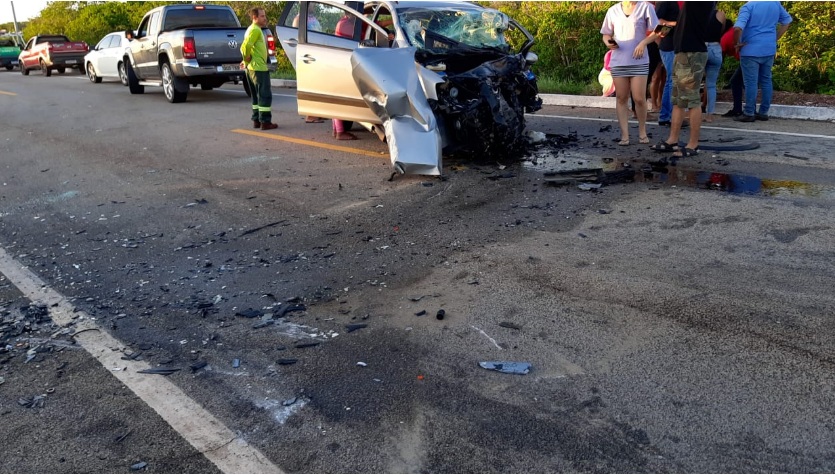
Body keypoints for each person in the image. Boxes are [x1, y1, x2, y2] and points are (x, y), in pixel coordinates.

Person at [651, 2, 715, 158]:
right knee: (678, 100)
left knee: (691, 99)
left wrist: (663, 25)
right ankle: (673, 140)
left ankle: (693, 144)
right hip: (682, 52)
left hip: (691, 52)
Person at [600, 1, 659, 146]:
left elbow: (660, 30)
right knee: (621, 98)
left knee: (639, 98)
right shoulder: (612, 10)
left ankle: (642, 132)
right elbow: (606, 33)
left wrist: (643, 43)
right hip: (618, 61)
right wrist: (608, 42)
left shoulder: (646, 7)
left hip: (639, 60)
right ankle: (625, 135)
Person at [733, 1, 792, 122]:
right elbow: (787, 21)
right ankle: (764, 112)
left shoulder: (748, 7)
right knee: (766, 80)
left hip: (750, 50)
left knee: (751, 83)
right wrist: (775, 38)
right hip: (769, 48)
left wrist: (737, 43)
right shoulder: (775, 3)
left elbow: (738, 28)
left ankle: (749, 112)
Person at [240, 7, 277, 130]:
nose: (265, 18)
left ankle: (256, 119)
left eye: (264, 15)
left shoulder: (252, 29)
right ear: (254, 18)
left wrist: (245, 61)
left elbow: (245, 47)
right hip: (258, 68)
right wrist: (246, 59)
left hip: (252, 68)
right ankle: (265, 122)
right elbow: (245, 47)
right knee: (265, 95)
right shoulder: (255, 30)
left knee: (256, 95)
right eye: (262, 16)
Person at [331, 13, 359, 141]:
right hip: (340, 61)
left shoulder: (345, 22)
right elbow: (359, 37)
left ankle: (336, 129)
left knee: (337, 94)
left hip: (339, 60)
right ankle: (340, 132)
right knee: (339, 96)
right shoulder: (345, 24)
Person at [654, 1, 679, 127]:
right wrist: (676, 24)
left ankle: (668, 116)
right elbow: (657, 22)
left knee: (672, 81)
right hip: (669, 47)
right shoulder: (665, 2)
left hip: (673, 46)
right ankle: (666, 116)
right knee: (672, 81)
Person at [703, 8, 728, 122]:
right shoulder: (721, 14)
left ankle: (693, 112)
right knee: (711, 85)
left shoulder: (698, 12)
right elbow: (721, 30)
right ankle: (710, 114)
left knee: (694, 83)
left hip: (701, 48)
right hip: (715, 48)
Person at [720, 19, 744, 117]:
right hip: (759, 54)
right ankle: (740, 109)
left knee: (735, 81)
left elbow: (721, 56)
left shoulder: (725, 38)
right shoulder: (733, 31)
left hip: (747, 58)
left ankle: (738, 109)